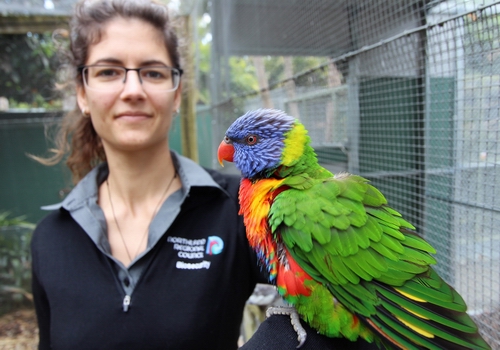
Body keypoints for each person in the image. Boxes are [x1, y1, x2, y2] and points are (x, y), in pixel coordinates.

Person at [31, 0, 376, 349]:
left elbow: (363, 307)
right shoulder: (50, 240)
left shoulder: (247, 206)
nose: (133, 90)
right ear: (82, 94)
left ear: (178, 93)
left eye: (153, 72)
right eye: (108, 71)